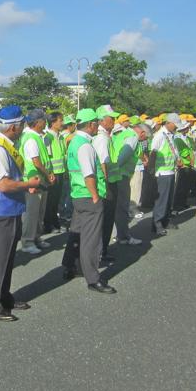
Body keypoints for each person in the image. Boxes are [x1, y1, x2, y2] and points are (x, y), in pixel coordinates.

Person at [0, 106, 39, 321]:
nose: (23, 128)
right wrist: (27, 184)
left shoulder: (6, 145)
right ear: (13, 126)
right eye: (22, 124)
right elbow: (4, 185)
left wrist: (25, 185)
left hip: (8, 209)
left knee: (6, 257)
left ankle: (4, 297)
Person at [61, 109, 116, 294]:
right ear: (91, 124)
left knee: (76, 232)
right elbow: (89, 174)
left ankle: (70, 266)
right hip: (88, 195)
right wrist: (95, 196)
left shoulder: (74, 142)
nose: (98, 127)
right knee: (91, 239)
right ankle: (93, 278)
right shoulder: (84, 145)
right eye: (96, 123)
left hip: (78, 194)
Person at [19, 108, 55, 254]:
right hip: (34, 180)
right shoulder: (31, 138)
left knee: (39, 212)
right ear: (38, 122)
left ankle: (36, 237)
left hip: (40, 180)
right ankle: (27, 242)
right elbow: (36, 162)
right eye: (43, 120)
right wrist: (47, 175)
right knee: (32, 213)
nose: (46, 122)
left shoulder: (36, 136)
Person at [111, 115, 143, 246]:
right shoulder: (132, 137)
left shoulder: (122, 135)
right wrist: (118, 167)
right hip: (121, 175)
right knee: (122, 207)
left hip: (115, 173)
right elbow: (124, 155)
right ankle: (123, 236)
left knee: (118, 207)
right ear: (141, 132)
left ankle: (120, 235)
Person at [148, 113, 182, 235]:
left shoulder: (171, 135)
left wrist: (177, 159)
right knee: (162, 199)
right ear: (168, 123)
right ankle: (157, 223)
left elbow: (172, 150)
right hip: (162, 172)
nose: (177, 127)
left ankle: (165, 219)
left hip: (170, 170)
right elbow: (153, 153)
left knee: (168, 199)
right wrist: (151, 170)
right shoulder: (159, 136)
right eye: (175, 125)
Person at [93, 105, 118, 257]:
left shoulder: (105, 136)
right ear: (102, 120)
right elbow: (102, 164)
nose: (114, 120)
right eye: (111, 118)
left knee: (107, 218)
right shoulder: (102, 138)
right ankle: (101, 251)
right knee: (106, 219)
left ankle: (102, 250)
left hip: (109, 182)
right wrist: (107, 186)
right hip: (107, 184)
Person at [43, 111, 66, 233]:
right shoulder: (48, 137)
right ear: (52, 123)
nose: (62, 123)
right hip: (52, 174)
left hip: (61, 172)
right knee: (50, 201)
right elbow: (47, 157)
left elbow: (63, 155)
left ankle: (55, 222)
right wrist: (49, 173)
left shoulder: (61, 136)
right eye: (60, 120)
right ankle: (49, 225)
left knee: (57, 200)